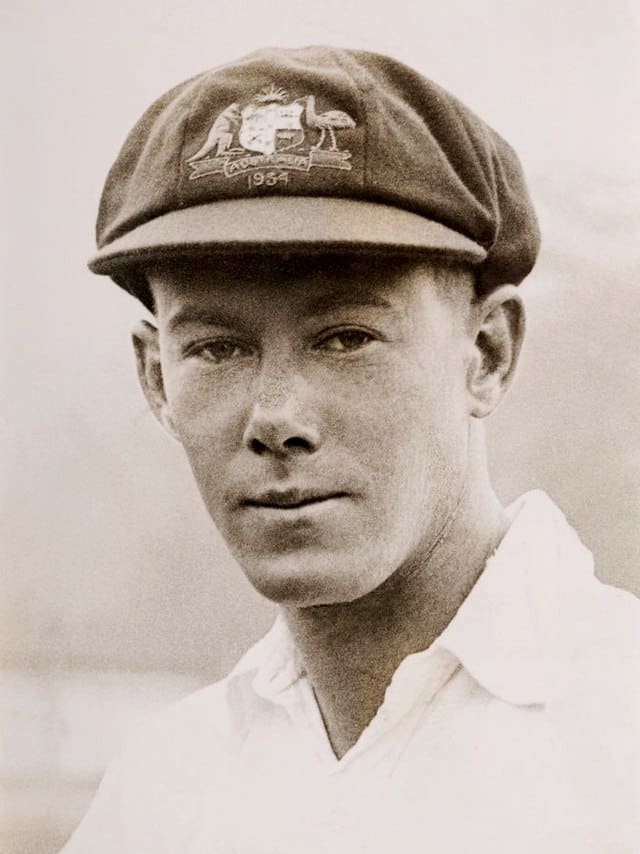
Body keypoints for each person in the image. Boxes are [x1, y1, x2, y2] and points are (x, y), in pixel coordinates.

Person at [62, 46, 639, 853]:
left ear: (487, 354)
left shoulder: (621, 739)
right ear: (156, 378)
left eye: (346, 337)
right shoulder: (165, 793)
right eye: (217, 349)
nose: (276, 417)